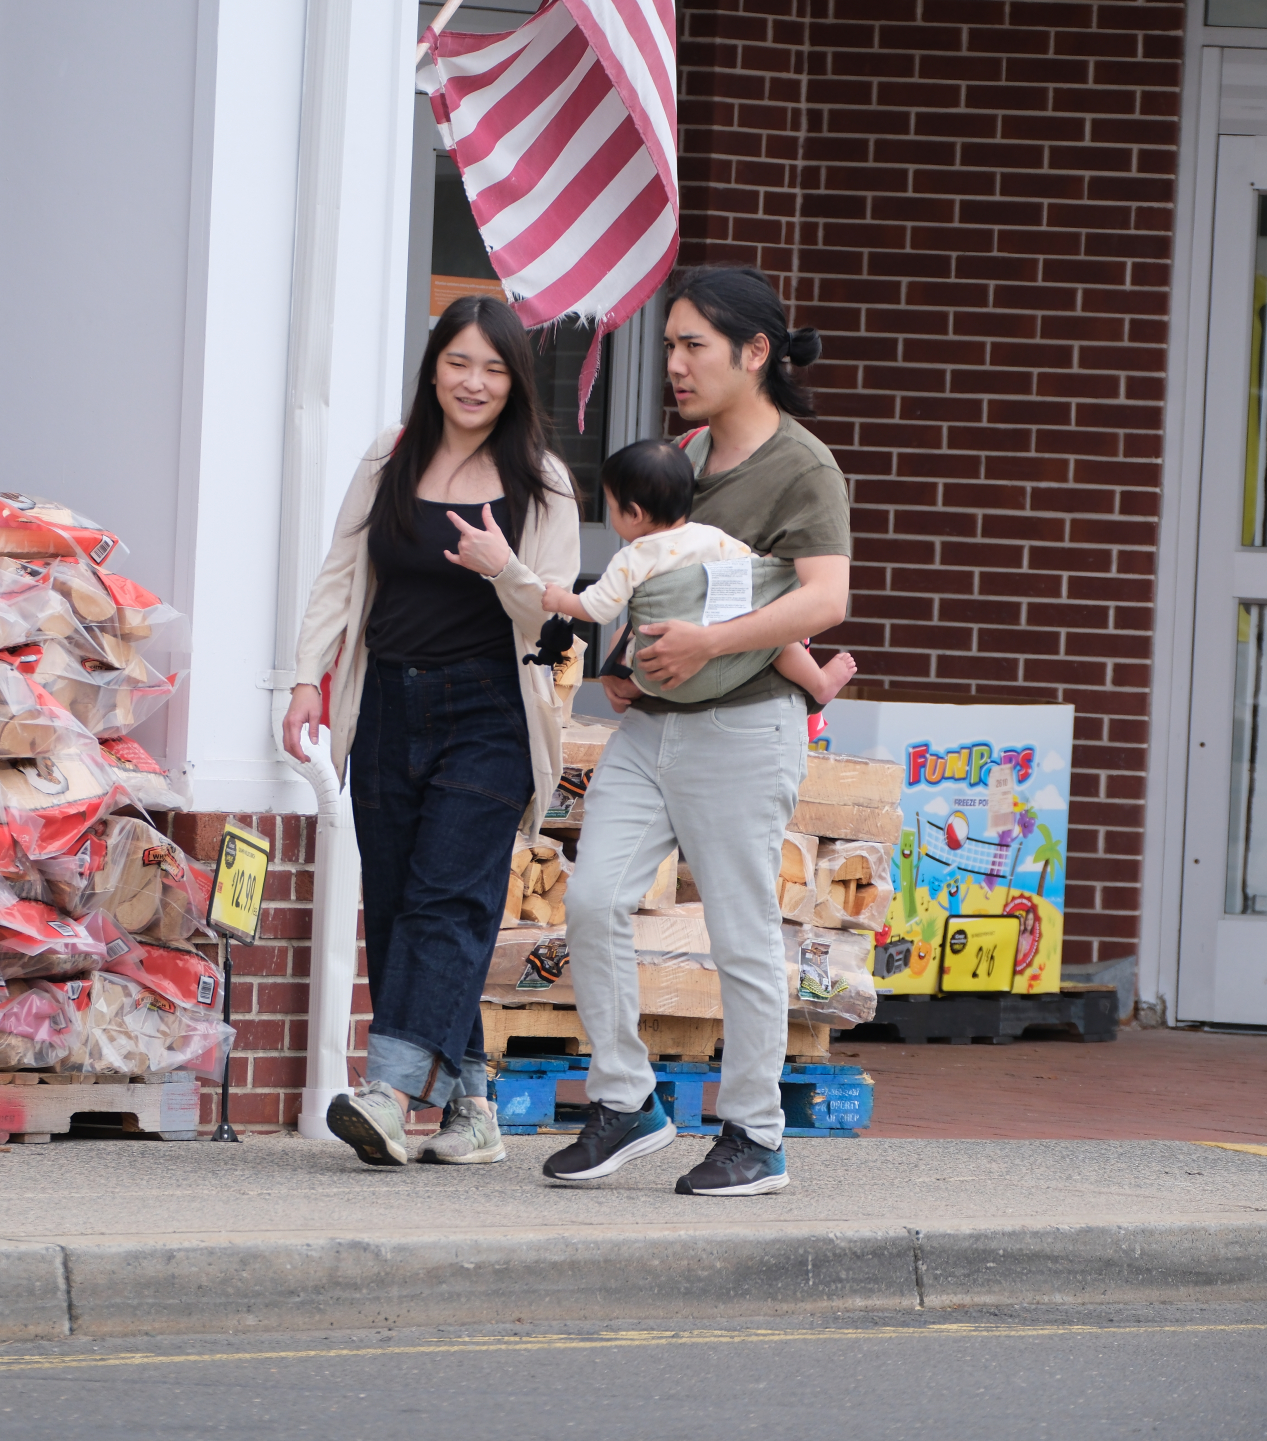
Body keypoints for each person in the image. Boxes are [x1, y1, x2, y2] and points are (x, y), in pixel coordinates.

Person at [546, 265, 853, 1196]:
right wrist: (622, 666)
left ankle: (755, 1133)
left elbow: (827, 596)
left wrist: (710, 643)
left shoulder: (802, 465)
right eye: (670, 344)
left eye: (693, 346)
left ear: (755, 353)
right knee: (594, 900)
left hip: (746, 727)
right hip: (654, 729)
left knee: (740, 930)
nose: (674, 363)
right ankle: (628, 1101)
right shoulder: (680, 452)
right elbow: (645, 576)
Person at [281, 294, 580, 1168]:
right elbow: (341, 570)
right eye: (459, 363)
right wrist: (307, 675)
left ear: (516, 379)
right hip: (387, 702)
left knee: (451, 896)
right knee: (406, 903)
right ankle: (474, 1106)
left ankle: (388, 1089)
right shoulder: (391, 453)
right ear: (434, 367)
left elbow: (561, 622)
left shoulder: (543, 481)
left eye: (493, 367)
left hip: (490, 711)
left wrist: (506, 568)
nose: (474, 382)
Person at [539, 437, 856, 705]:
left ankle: (630, 691)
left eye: (610, 506)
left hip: (660, 677)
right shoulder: (710, 536)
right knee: (775, 640)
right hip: (722, 660)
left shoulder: (631, 558)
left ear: (633, 514)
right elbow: (752, 572)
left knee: (641, 638)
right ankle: (819, 682)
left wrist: (559, 600)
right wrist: (774, 560)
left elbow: (597, 608)